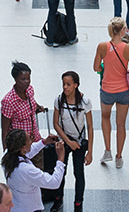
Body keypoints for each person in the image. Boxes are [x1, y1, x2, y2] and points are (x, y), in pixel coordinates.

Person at [93, 17, 129, 169]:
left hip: (107, 90)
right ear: (123, 30)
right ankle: (119, 156)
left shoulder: (102, 46)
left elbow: (96, 67)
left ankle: (107, 150)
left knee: (105, 117)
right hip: (124, 90)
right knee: (121, 123)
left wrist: (106, 68)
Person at [52, 71, 94, 211]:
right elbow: (56, 124)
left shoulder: (85, 102)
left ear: (76, 85)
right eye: (63, 84)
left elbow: (90, 127)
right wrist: (68, 142)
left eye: (69, 84)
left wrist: (90, 152)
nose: (65, 87)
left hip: (79, 142)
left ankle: (78, 203)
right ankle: (58, 198)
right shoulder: (59, 100)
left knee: (79, 173)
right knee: (60, 171)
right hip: (65, 141)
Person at [1, 129, 66, 212]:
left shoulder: (8, 156)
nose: (31, 141)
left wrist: (44, 142)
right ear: (23, 147)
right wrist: (60, 159)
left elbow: (29, 152)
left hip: (17, 207)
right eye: (29, 140)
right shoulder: (26, 170)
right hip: (30, 209)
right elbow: (54, 182)